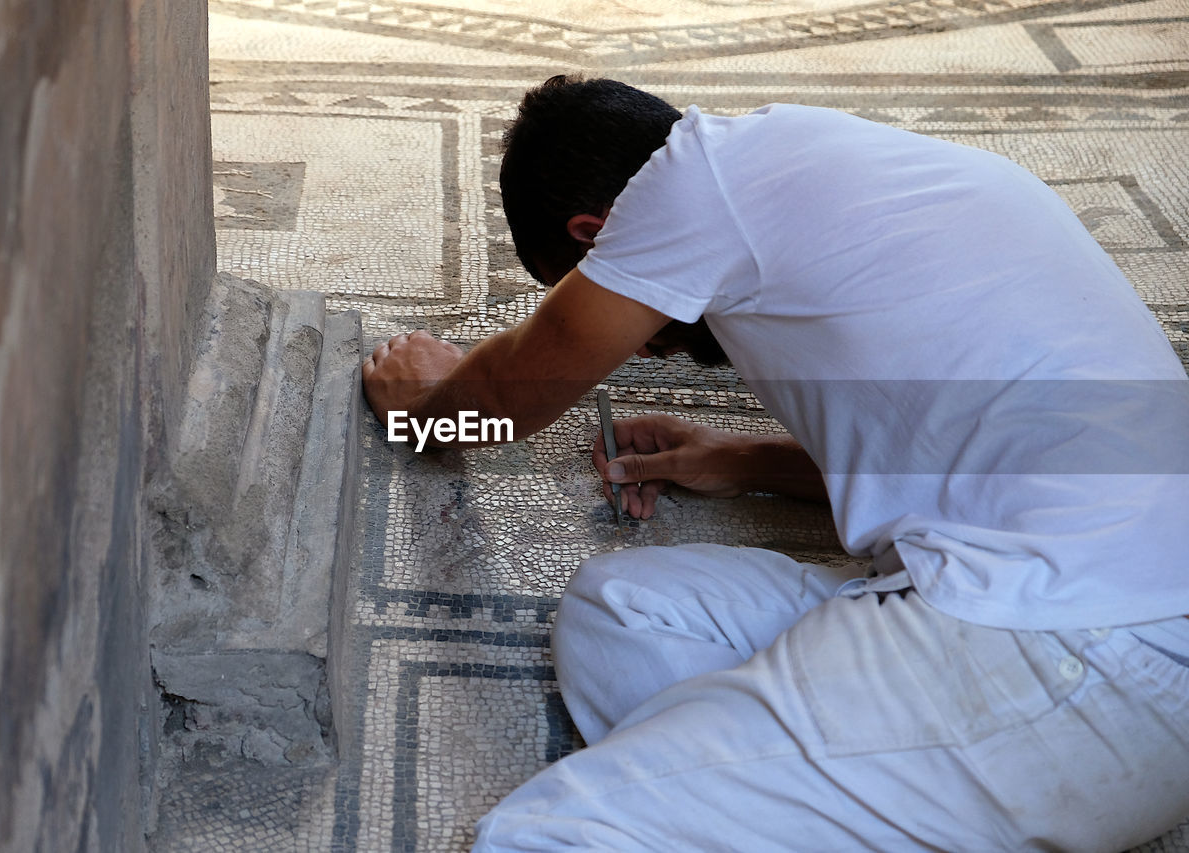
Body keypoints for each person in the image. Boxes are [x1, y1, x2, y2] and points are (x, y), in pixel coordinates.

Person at [361, 76, 1189, 851]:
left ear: (597, 233)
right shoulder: (821, 163)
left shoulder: (686, 187)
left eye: (586, 286)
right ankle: (833, 783)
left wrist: (421, 400)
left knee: (552, 832)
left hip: (1089, 645)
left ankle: (863, 771)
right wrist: (740, 460)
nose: (649, 344)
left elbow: (496, 404)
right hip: (1087, 589)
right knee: (620, 610)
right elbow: (957, 449)